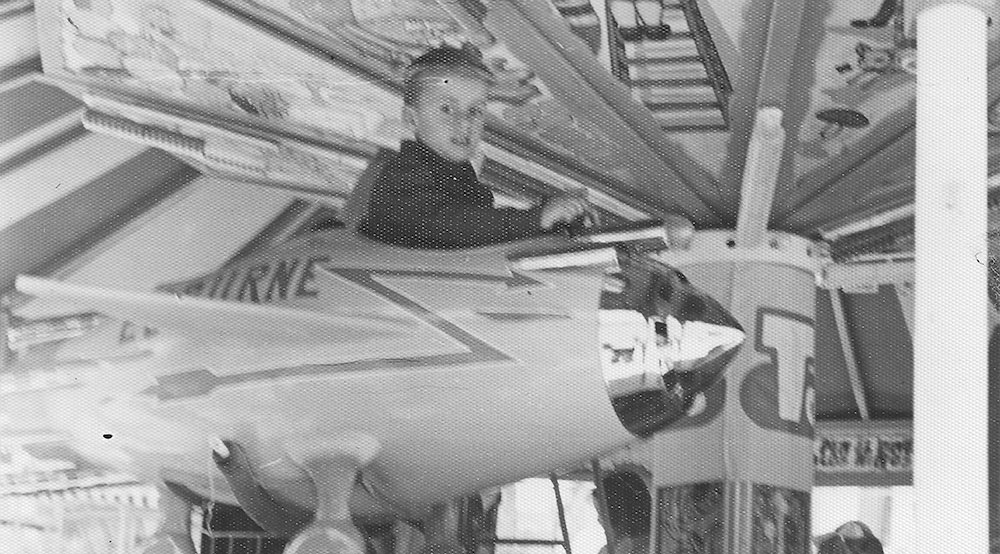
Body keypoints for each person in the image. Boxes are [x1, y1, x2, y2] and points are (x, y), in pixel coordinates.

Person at [357, 44, 598, 249]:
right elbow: (448, 226)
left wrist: (551, 217)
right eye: (447, 109)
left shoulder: (458, 174)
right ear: (412, 119)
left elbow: (476, 233)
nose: (464, 122)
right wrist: (535, 219)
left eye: (475, 111)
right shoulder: (403, 173)